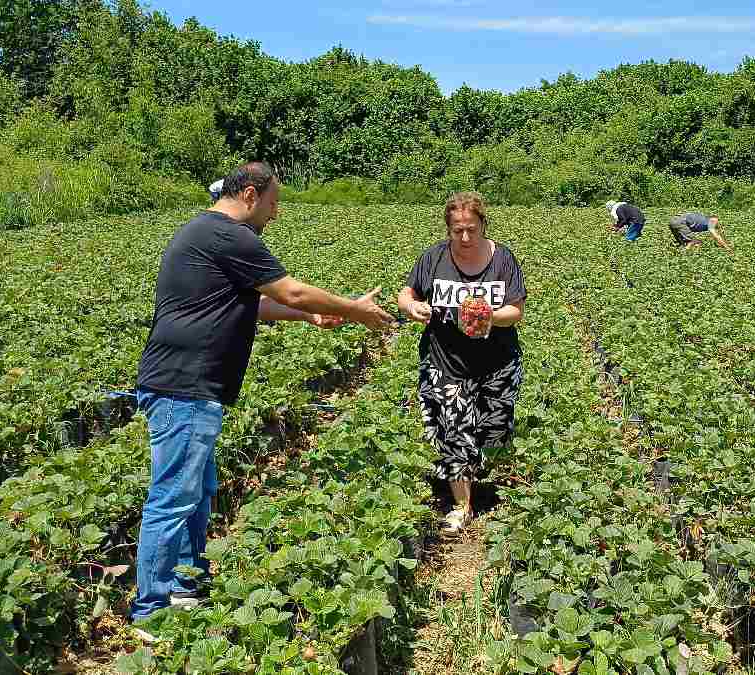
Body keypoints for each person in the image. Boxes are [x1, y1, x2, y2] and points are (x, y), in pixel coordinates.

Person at [129, 161, 393, 640]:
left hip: (189, 386)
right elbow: (289, 289)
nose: (275, 214)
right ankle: (151, 609)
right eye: (273, 203)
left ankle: (187, 585)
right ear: (250, 194)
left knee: (198, 491)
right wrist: (352, 308)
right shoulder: (230, 235)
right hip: (185, 386)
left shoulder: (205, 232)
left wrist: (309, 318)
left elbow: (254, 303)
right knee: (173, 497)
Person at [398, 192, 526, 534]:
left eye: (471, 229)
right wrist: (411, 307)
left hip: (497, 363)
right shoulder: (434, 258)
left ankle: (485, 478)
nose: (465, 237)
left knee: (493, 430)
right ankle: (461, 505)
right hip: (445, 362)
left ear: (483, 224)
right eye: (457, 231)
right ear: (448, 229)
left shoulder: (503, 260)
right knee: (453, 432)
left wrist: (488, 316)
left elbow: (516, 310)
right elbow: (407, 293)